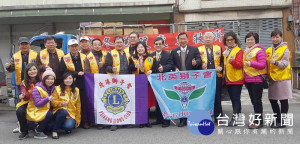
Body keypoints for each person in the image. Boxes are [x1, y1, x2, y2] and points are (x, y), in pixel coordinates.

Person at [170, 32, 202, 127]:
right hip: (179, 80)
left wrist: (196, 62)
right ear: (178, 40)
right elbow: (171, 63)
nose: (183, 41)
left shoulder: (194, 49)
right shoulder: (174, 51)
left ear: (187, 40)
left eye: (184, 39)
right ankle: (182, 120)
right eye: (181, 39)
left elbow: (199, 60)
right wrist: (175, 68)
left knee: (192, 99)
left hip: (191, 79)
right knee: (181, 100)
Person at [104, 36, 134, 131]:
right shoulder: (110, 54)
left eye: (121, 42)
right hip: (115, 81)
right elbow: (106, 66)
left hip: (126, 81)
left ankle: (124, 121)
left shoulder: (128, 53)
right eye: (117, 42)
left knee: (125, 100)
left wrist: (136, 66)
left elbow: (131, 66)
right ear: (114, 44)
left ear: (124, 43)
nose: (119, 44)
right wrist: (111, 69)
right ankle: (114, 122)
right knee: (114, 102)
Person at [266, 29, 292, 128]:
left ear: (281, 37)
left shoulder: (285, 49)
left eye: (277, 37)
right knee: (272, 100)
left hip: (282, 79)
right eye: (273, 37)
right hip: (272, 79)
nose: (275, 39)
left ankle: (282, 121)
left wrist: (275, 62)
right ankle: (278, 119)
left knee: (283, 100)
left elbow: (285, 64)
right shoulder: (270, 49)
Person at [60, 39, 88, 129]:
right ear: (68, 48)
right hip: (71, 84)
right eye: (72, 46)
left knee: (83, 102)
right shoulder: (64, 58)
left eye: (76, 46)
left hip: (84, 83)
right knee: (72, 102)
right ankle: (72, 119)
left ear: (78, 46)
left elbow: (88, 70)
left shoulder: (84, 57)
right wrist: (76, 74)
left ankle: (84, 121)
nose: (74, 48)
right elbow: (63, 71)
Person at [198, 32, 224, 124]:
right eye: (206, 37)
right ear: (203, 39)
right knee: (204, 97)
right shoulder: (199, 49)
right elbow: (197, 63)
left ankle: (219, 117)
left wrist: (221, 67)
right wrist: (201, 66)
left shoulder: (218, 48)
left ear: (213, 39)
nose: (208, 39)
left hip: (216, 76)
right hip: (204, 78)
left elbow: (223, 61)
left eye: (210, 37)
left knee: (217, 97)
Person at [243, 32, 266, 129]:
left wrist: (251, 63)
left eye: (251, 39)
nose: (249, 41)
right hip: (249, 79)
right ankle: (257, 120)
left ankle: (258, 122)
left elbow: (262, 65)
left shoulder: (259, 51)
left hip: (257, 79)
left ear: (256, 40)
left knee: (257, 101)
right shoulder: (246, 50)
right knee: (253, 101)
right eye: (248, 39)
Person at [5, 37, 37, 103]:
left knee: (34, 100)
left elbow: (39, 68)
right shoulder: (15, 56)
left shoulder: (36, 54)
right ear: (19, 46)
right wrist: (8, 67)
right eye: (22, 44)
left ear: (29, 45)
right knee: (20, 102)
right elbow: (12, 69)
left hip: (33, 83)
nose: (24, 46)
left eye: (26, 44)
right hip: (20, 83)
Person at [26, 68, 55, 139]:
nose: (50, 81)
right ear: (44, 79)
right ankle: (38, 132)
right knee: (49, 114)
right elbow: (38, 104)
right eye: (48, 79)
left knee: (50, 127)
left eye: (52, 79)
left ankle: (38, 127)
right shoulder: (37, 88)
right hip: (36, 111)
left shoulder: (54, 88)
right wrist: (47, 99)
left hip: (45, 110)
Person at [150, 37, 173, 127]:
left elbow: (171, 65)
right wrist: (150, 71)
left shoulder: (168, 54)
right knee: (157, 100)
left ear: (163, 45)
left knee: (165, 100)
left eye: (160, 44)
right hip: (155, 82)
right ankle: (159, 119)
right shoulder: (150, 55)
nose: (158, 46)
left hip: (165, 81)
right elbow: (150, 67)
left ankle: (166, 120)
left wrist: (164, 68)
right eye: (156, 44)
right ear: (154, 45)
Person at [222, 31, 244, 127]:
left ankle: (235, 118)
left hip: (236, 79)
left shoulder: (238, 50)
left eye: (231, 40)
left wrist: (232, 61)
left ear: (235, 40)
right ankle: (236, 116)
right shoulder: (226, 51)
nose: (230, 41)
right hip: (228, 79)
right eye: (227, 40)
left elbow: (239, 64)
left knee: (235, 99)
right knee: (233, 99)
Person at [130, 41, 153, 128]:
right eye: (138, 47)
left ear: (145, 48)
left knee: (146, 102)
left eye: (142, 47)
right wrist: (134, 67)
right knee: (138, 102)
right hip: (136, 81)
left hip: (147, 82)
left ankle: (146, 120)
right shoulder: (132, 58)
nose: (140, 49)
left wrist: (152, 71)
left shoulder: (150, 58)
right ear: (136, 49)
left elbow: (154, 67)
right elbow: (129, 69)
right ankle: (140, 121)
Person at [51, 72, 81, 139]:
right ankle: (54, 131)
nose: (68, 80)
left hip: (71, 114)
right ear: (63, 80)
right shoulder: (57, 89)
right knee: (63, 111)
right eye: (66, 79)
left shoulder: (76, 90)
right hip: (59, 112)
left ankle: (56, 124)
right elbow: (53, 102)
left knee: (68, 127)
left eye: (70, 78)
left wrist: (78, 119)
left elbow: (78, 105)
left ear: (73, 79)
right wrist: (61, 103)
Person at [15, 63, 40, 140]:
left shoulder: (42, 80)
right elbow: (24, 93)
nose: (32, 71)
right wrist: (23, 95)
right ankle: (24, 131)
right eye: (30, 70)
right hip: (27, 102)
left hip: (39, 102)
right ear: (27, 72)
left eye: (34, 69)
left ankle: (40, 128)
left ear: (37, 70)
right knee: (20, 111)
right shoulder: (23, 82)